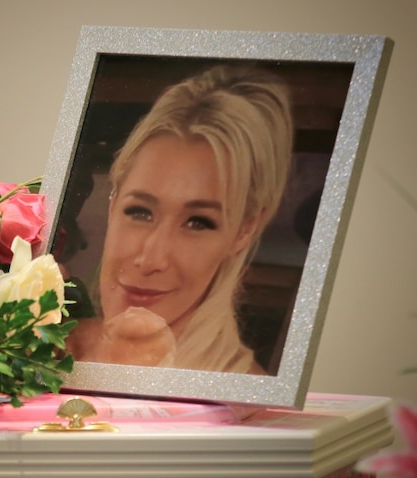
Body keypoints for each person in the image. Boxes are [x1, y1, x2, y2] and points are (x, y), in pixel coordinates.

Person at [65, 65, 294, 374]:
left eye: (197, 222)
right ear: (114, 202)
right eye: (140, 212)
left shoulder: (246, 402)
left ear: (244, 230)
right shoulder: (40, 352)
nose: (150, 259)